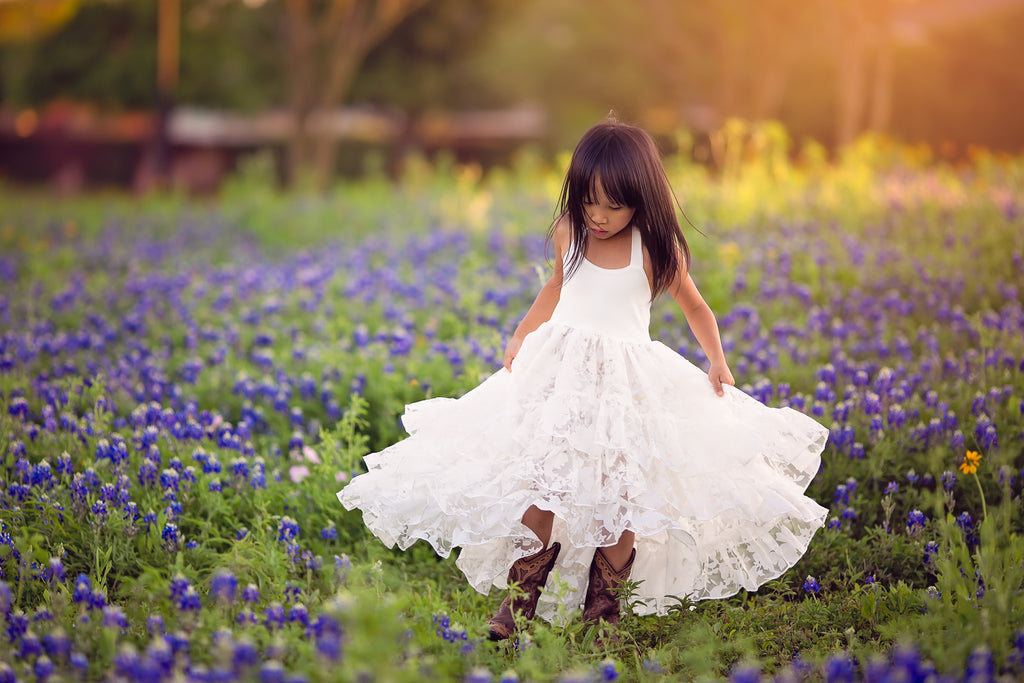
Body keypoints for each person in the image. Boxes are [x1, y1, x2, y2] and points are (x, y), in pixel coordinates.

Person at [337, 118, 829, 645]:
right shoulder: (569, 232)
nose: (598, 215)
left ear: (642, 199)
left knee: (622, 497)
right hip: (563, 379)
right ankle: (522, 597)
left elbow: (696, 306)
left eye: (613, 205)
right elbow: (554, 287)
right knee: (544, 485)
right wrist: (522, 333)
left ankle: (604, 606)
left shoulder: (655, 248)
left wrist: (717, 360)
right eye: (588, 200)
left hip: (625, 390)